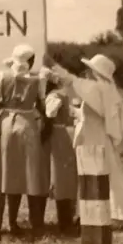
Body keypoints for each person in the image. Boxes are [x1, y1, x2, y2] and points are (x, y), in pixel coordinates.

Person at [48, 53, 123, 223]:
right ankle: (101, 213)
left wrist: (52, 64)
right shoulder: (107, 90)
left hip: (94, 138)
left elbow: (72, 80)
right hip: (97, 135)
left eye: (90, 70)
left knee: (94, 174)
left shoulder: (97, 88)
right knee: (107, 175)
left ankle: (98, 214)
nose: (86, 73)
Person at [0, 44, 50, 239]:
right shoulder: (38, 80)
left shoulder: (1, 76)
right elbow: (42, 106)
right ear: (30, 61)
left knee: (3, 176)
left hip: (7, 125)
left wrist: (8, 105)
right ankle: (24, 225)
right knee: (26, 176)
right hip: (28, 125)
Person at [42, 74, 78, 234]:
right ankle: (66, 218)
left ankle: (65, 220)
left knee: (60, 176)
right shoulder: (61, 96)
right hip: (61, 134)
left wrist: (43, 134)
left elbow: (50, 116)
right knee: (64, 176)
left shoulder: (54, 96)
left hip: (55, 136)